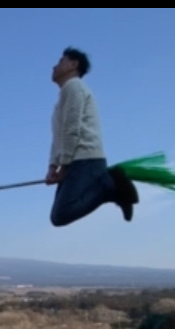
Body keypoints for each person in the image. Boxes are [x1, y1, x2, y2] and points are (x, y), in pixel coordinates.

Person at [46, 47, 138, 226]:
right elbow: (58, 137)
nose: (54, 66)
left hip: (86, 159)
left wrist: (63, 167)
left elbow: (72, 129)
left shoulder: (74, 86)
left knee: (61, 215)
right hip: (76, 161)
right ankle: (110, 185)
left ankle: (110, 187)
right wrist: (53, 165)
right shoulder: (64, 95)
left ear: (73, 65)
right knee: (58, 216)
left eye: (60, 62)